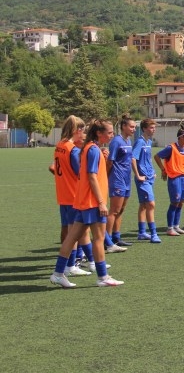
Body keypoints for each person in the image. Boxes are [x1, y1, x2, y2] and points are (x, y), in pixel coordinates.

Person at [50, 119, 124, 287]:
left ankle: (58, 273)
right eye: (110, 132)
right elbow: (91, 176)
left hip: (82, 201)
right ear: (99, 133)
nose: (112, 135)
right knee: (98, 239)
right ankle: (103, 277)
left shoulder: (88, 148)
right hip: (91, 202)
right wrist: (101, 202)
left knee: (71, 238)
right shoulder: (92, 150)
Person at [49, 115, 92, 277]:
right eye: (82, 130)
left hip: (63, 194)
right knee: (76, 232)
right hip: (74, 195)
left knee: (69, 230)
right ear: (76, 130)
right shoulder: (72, 149)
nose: (84, 134)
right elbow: (80, 173)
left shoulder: (60, 145)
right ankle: (73, 264)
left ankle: (76, 263)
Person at [105, 114, 136, 252]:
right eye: (131, 126)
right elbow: (110, 161)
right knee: (114, 211)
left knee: (121, 210)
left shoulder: (128, 141)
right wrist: (106, 177)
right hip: (117, 179)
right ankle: (107, 240)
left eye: (135, 127)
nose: (133, 129)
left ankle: (116, 237)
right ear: (123, 126)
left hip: (126, 179)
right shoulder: (116, 141)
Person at [154, 125, 184, 236]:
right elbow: (157, 156)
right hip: (175, 178)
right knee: (174, 202)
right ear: (181, 137)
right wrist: (163, 169)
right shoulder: (171, 148)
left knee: (181, 202)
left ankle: (176, 226)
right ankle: (170, 228)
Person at [132, 118, 161, 243]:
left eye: (154, 127)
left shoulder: (148, 141)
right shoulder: (140, 142)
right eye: (151, 127)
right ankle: (154, 234)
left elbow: (147, 159)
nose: (154, 130)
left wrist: (153, 171)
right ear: (144, 128)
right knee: (151, 204)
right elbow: (133, 158)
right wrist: (138, 175)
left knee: (144, 205)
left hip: (149, 177)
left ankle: (142, 232)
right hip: (143, 179)